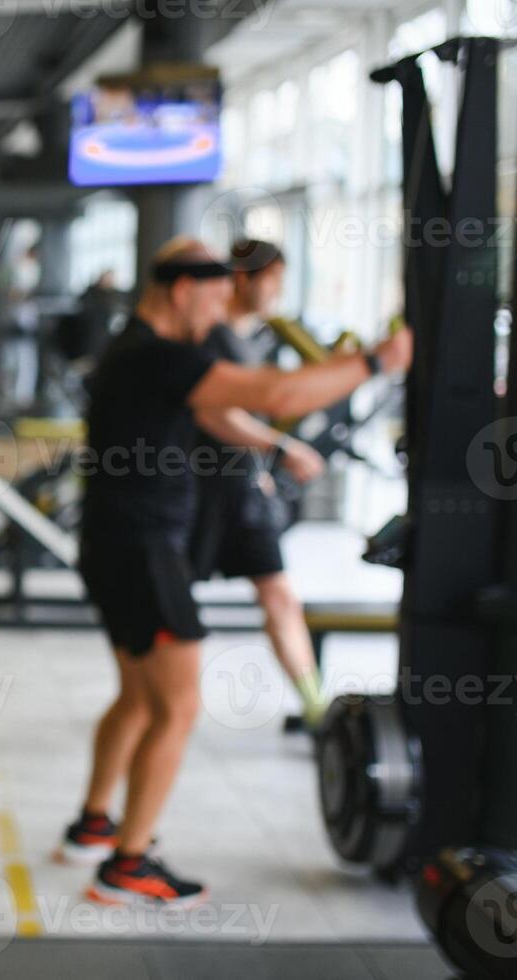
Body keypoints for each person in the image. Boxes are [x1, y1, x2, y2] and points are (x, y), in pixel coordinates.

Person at [54, 237, 411, 906]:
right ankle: (127, 864)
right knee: (178, 704)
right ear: (181, 289)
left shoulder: (133, 348)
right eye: (215, 296)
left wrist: (276, 443)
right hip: (143, 551)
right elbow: (274, 390)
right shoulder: (158, 355)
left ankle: (94, 825)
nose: (220, 312)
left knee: (137, 698)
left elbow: (219, 411)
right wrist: (373, 361)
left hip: (115, 544)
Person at [190, 239, 329, 728]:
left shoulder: (246, 339)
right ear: (244, 279)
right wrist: (278, 449)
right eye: (272, 281)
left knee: (279, 594)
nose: (278, 293)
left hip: (241, 491)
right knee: (175, 605)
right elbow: (213, 413)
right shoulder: (210, 338)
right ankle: (158, 698)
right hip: (199, 495)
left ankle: (316, 706)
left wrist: (261, 469)